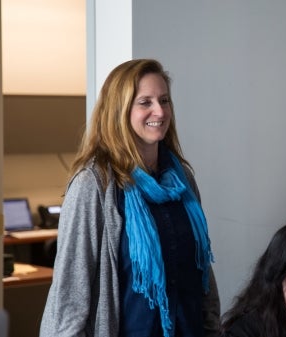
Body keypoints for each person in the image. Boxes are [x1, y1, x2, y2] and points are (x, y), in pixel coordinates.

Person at [40, 59, 219, 337]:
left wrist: (213, 329)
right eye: (145, 102)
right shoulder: (94, 184)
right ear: (119, 111)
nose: (159, 110)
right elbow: (70, 293)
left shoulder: (182, 178)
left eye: (164, 100)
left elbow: (201, 271)